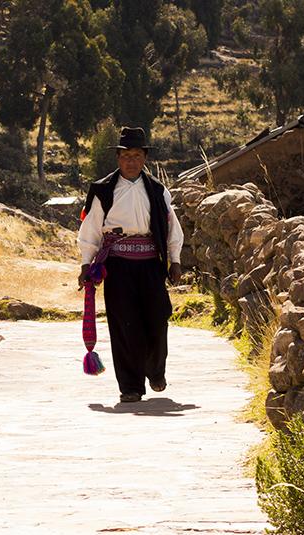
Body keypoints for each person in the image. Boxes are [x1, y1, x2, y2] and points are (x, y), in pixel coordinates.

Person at [77, 126, 184, 403]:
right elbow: (90, 230)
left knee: (159, 318)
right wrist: (85, 264)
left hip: (150, 264)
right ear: (118, 158)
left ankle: (155, 371)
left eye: (136, 155)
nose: (131, 161)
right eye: (126, 155)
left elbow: (172, 227)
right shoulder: (104, 191)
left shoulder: (158, 191)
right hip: (118, 266)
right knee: (124, 326)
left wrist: (175, 261)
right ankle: (130, 386)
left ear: (144, 157)